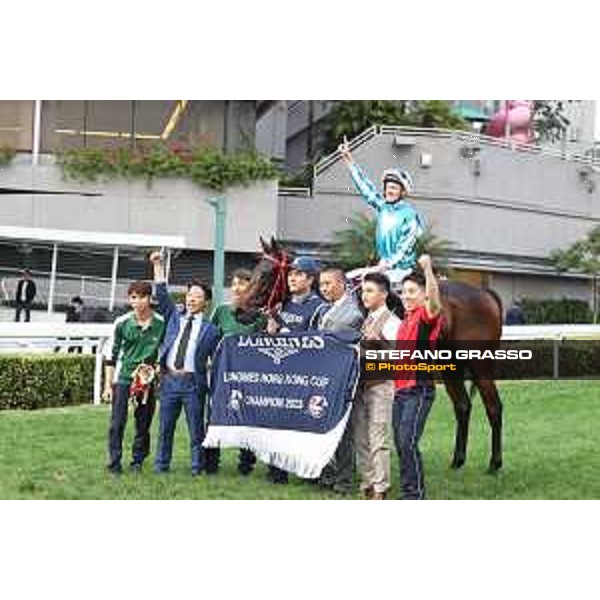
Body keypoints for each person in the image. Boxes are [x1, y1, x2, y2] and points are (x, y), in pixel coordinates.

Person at [149, 251, 220, 476]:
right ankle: (161, 466)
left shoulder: (211, 330)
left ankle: (197, 467)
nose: (191, 299)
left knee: (196, 429)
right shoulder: (173, 317)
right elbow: (161, 294)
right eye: (189, 295)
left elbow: (218, 359)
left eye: (197, 296)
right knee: (165, 428)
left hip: (193, 384)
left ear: (206, 302)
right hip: (169, 380)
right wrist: (158, 264)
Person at [265, 256, 328, 484]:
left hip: (305, 377)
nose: (292, 277)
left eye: (299, 274)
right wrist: (272, 330)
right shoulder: (283, 304)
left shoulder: (320, 307)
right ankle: (276, 471)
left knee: (304, 424)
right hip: (280, 374)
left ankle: (308, 471)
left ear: (310, 279)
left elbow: (317, 343)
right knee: (277, 421)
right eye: (291, 273)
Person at [205, 268, 267, 476]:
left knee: (248, 418)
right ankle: (211, 462)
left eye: (242, 283)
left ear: (252, 288)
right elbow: (209, 340)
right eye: (234, 283)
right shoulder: (221, 311)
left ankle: (246, 465)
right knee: (215, 415)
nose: (236, 288)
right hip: (223, 376)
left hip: (251, 376)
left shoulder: (260, 315)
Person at [339, 140, 426, 286]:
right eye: (387, 188)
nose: (389, 191)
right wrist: (349, 161)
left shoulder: (410, 214)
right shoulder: (383, 207)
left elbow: (406, 246)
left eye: (394, 188)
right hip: (383, 266)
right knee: (348, 278)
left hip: (401, 270)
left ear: (402, 192)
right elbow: (366, 189)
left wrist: (385, 266)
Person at [393, 254, 443, 500]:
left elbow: (435, 301)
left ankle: (415, 495)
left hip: (419, 390)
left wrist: (428, 270)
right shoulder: (405, 320)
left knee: (407, 443)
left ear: (423, 295)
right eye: (403, 292)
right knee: (401, 446)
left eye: (412, 291)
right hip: (400, 393)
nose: (406, 296)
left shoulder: (427, 315)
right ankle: (407, 492)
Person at [103, 281, 165, 475]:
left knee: (143, 422)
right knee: (117, 423)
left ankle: (137, 461)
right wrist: (107, 386)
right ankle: (114, 463)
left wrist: (157, 369)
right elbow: (111, 356)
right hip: (124, 378)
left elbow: (165, 351)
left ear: (150, 298)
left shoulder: (161, 323)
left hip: (147, 380)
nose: (137, 302)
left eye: (141, 297)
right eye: (133, 297)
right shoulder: (121, 323)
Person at [354, 272, 401, 499]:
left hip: (382, 385)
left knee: (378, 437)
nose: (365, 295)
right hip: (361, 385)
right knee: (361, 438)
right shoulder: (366, 320)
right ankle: (368, 482)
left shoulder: (392, 322)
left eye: (370, 290)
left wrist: (378, 342)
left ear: (384, 294)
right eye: (363, 290)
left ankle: (381, 488)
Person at [317, 266, 364, 495]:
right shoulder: (326, 309)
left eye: (328, 283)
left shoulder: (353, 313)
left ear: (342, 284)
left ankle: (344, 479)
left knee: (343, 431)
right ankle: (328, 474)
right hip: (325, 377)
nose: (323, 288)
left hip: (342, 380)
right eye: (321, 284)